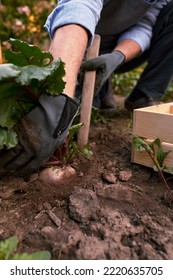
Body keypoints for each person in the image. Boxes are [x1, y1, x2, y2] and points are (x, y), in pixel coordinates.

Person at [0, 0, 173, 175]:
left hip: (123, 48)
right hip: (83, 39)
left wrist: (118, 56)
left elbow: (145, 25)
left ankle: (141, 95)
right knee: (84, 104)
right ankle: (98, 86)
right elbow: (80, 4)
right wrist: (58, 94)